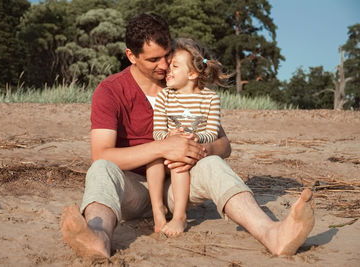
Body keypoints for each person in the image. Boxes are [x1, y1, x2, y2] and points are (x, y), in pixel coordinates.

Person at [60, 13, 315, 259]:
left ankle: (273, 234)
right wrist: (164, 148)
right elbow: (101, 154)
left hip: (178, 189)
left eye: (167, 55)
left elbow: (223, 145)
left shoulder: (183, 84)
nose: (163, 66)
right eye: (153, 60)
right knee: (101, 169)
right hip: (133, 192)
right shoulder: (110, 91)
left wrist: (198, 150)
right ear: (131, 56)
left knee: (214, 163)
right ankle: (98, 238)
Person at [147, 37, 229, 236]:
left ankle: (179, 217)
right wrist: (169, 135)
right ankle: (158, 211)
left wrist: (193, 138)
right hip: (167, 149)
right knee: (153, 159)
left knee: (178, 162)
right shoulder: (165, 96)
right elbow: (156, 132)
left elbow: (212, 132)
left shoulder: (210, 98)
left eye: (175, 66)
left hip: (191, 153)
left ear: (192, 74)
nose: (168, 70)